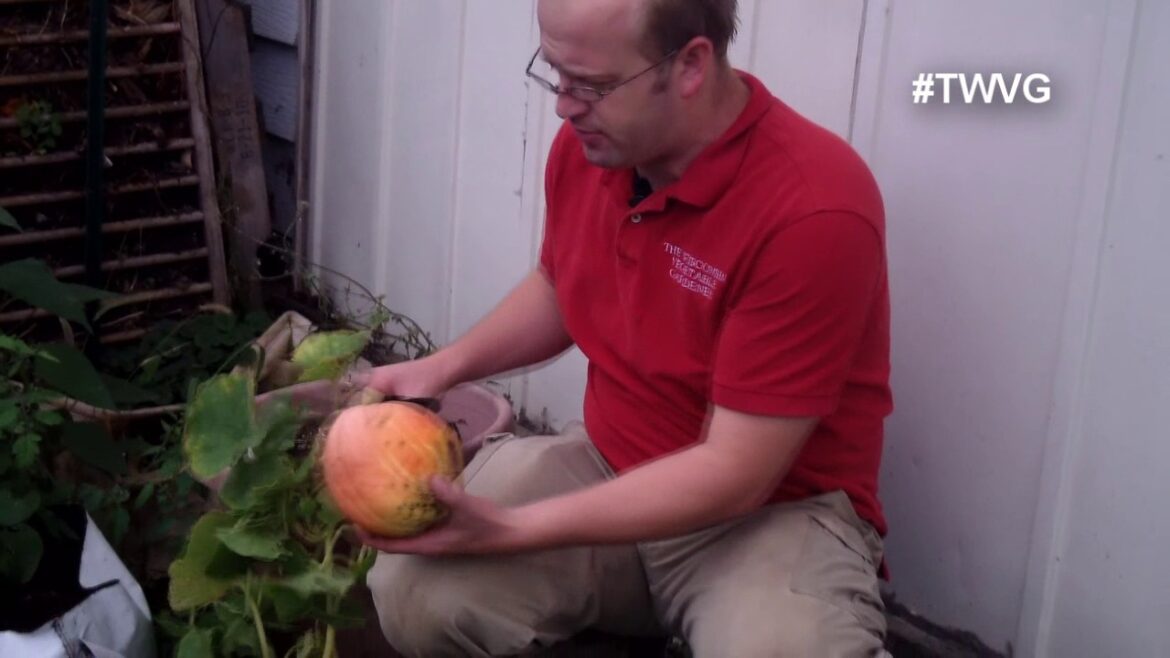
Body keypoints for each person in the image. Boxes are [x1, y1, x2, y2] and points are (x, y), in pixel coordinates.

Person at [356, 0, 893, 655]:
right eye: (555, 73)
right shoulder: (596, 146)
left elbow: (737, 472)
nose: (564, 106)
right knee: (415, 595)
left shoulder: (815, 208)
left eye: (593, 84)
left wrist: (515, 529)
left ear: (690, 65)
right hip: (606, 462)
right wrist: (440, 368)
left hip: (770, 517)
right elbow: (561, 287)